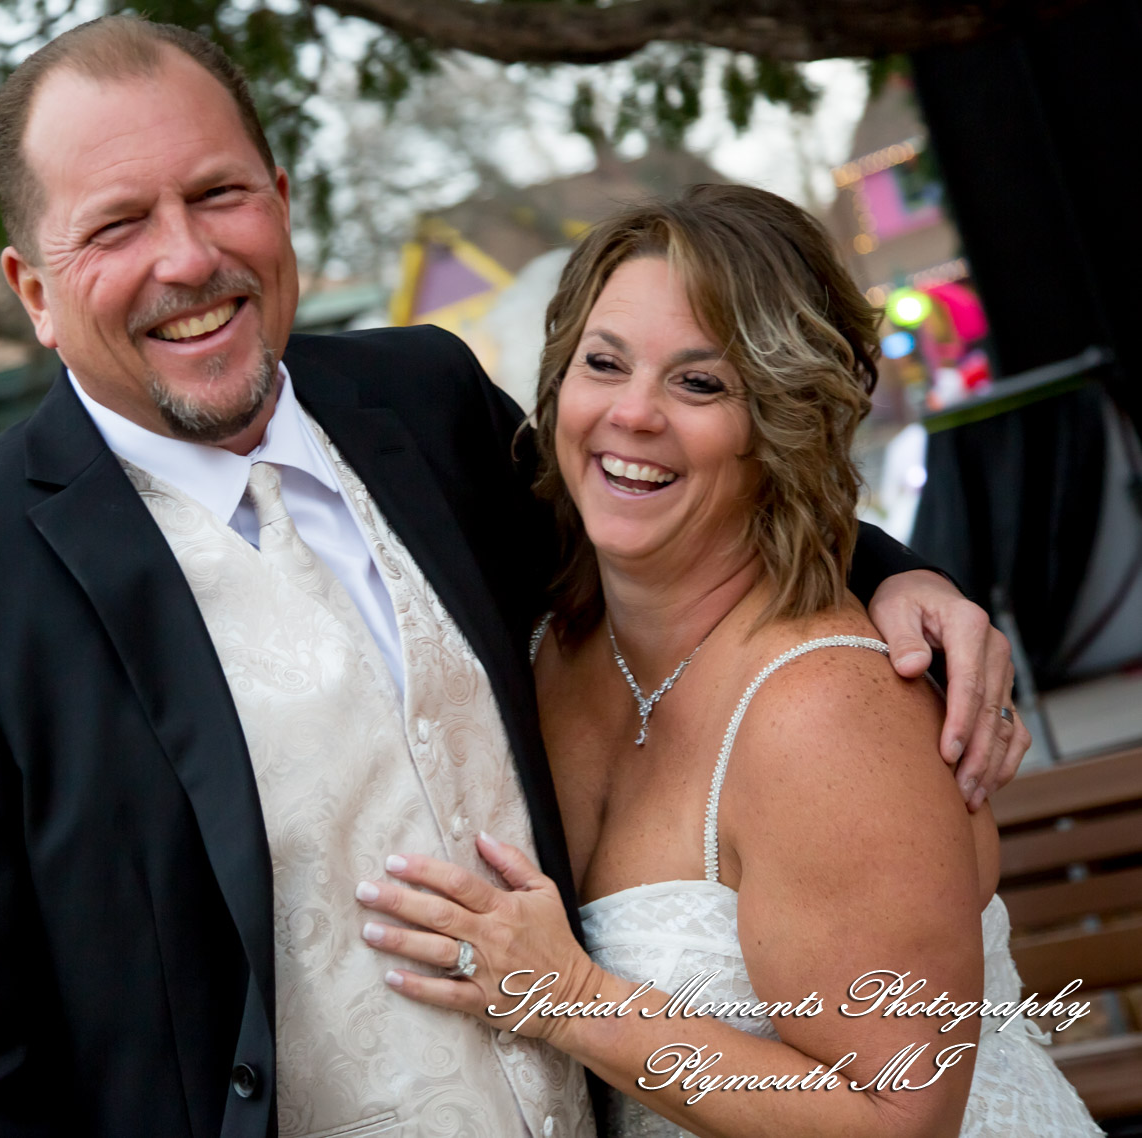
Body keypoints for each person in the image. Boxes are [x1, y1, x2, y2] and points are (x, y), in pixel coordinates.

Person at [0, 16, 1028, 1138]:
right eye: (119, 225)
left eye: (219, 194)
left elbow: (659, 509)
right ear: (33, 287)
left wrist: (903, 577)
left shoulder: (419, 398)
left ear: (281, 203)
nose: (187, 257)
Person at [354, 186, 1099, 1136]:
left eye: (698, 384)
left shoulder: (828, 707)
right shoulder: (536, 646)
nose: (632, 413)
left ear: (782, 424)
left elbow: (899, 1119)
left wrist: (570, 995)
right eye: (604, 363)